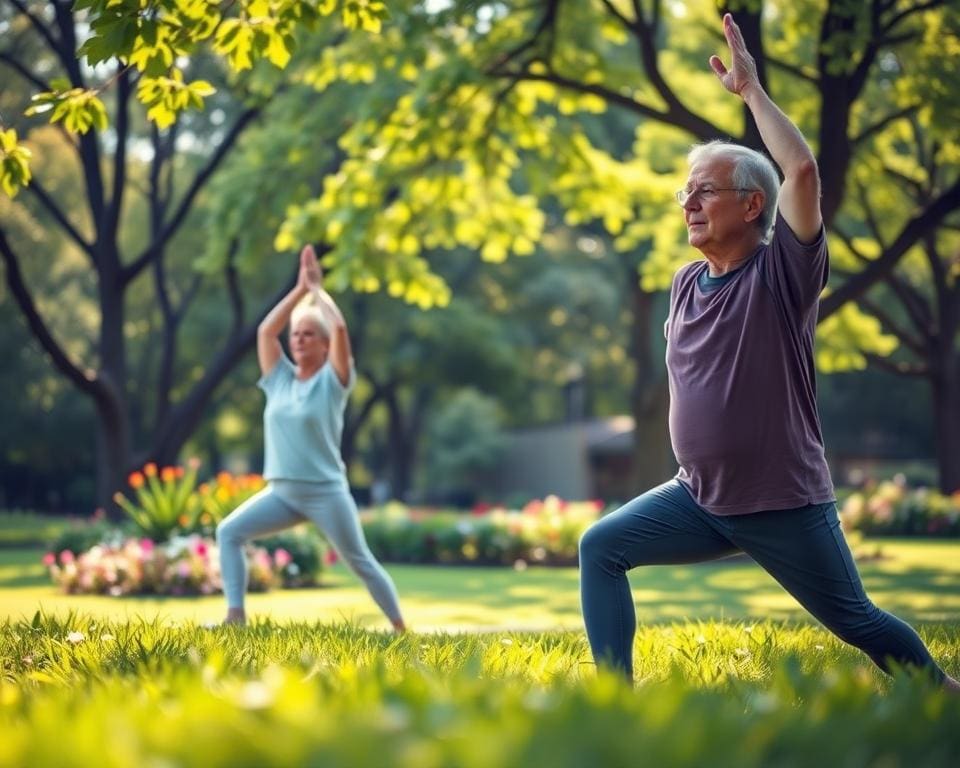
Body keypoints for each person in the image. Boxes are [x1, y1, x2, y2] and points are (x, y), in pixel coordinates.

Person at [578, 13, 958, 691]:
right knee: (600, 546)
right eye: (684, 191)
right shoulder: (685, 282)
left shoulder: (783, 275)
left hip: (782, 502)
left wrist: (751, 93)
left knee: (859, 622)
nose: (689, 202)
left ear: (753, 205)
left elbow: (803, 171)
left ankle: (942, 695)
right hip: (698, 498)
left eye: (705, 190)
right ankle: (614, 699)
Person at [216, 244, 406, 631]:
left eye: (308, 335)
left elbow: (339, 328)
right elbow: (266, 330)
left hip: (325, 492)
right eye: (296, 335)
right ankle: (235, 618)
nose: (299, 339)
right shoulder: (279, 380)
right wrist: (299, 291)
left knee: (361, 562)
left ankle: (401, 629)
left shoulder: (333, 382)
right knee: (228, 532)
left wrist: (318, 292)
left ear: (323, 346)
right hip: (283, 493)